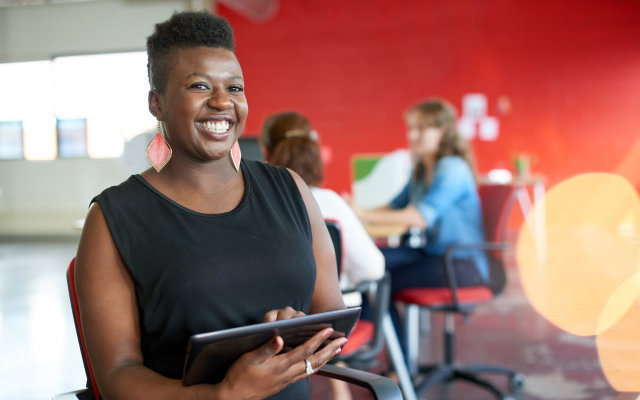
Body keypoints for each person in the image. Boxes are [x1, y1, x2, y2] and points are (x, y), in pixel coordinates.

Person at [74, 12, 347, 400]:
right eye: (200, 86)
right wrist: (224, 395)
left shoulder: (291, 189)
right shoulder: (113, 219)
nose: (222, 102)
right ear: (157, 102)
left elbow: (334, 317)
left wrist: (301, 332)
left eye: (234, 88)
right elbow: (116, 376)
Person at [347, 99, 488, 354]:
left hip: (461, 264)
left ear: (442, 132)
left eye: (421, 129)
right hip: (434, 254)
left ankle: (389, 357)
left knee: (379, 280)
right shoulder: (422, 169)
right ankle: (369, 342)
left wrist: (362, 213)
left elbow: (419, 217)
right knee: (368, 263)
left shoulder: (452, 168)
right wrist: (354, 211)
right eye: (411, 128)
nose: (412, 135)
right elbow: (394, 206)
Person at [260, 112, 385, 400]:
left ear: (265, 152)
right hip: (330, 320)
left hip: (270, 322)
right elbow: (375, 268)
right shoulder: (330, 202)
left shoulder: (257, 208)